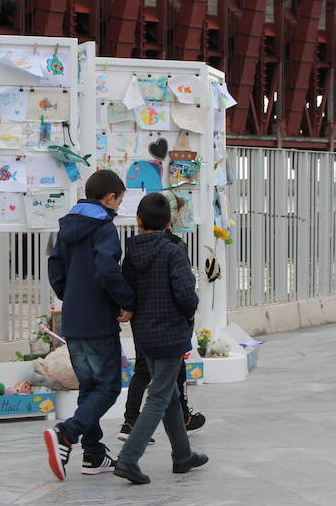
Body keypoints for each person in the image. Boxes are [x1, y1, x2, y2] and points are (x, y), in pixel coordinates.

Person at [43, 170, 135, 481]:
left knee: (90, 388)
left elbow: (54, 268)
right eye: (119, 201)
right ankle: (66, 434)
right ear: (110, 197)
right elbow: (107, 270)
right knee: (108, 387)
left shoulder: (64, 226)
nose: (119, 208)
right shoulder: (104, 228)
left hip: (74, 320)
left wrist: (71, 295)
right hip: (98, 319)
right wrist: (127, 301)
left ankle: (94, 454)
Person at [114, 192, 208, 484]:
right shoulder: (173, 252)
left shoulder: (131, 254)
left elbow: (128, 291)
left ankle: (183, 455)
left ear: (138, 221)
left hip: (144, 334)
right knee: (158, 397)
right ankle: (129, 459)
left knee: (170, 395)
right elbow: (185, 293)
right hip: (170, 334)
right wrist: (191, 312)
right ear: (169, 222)